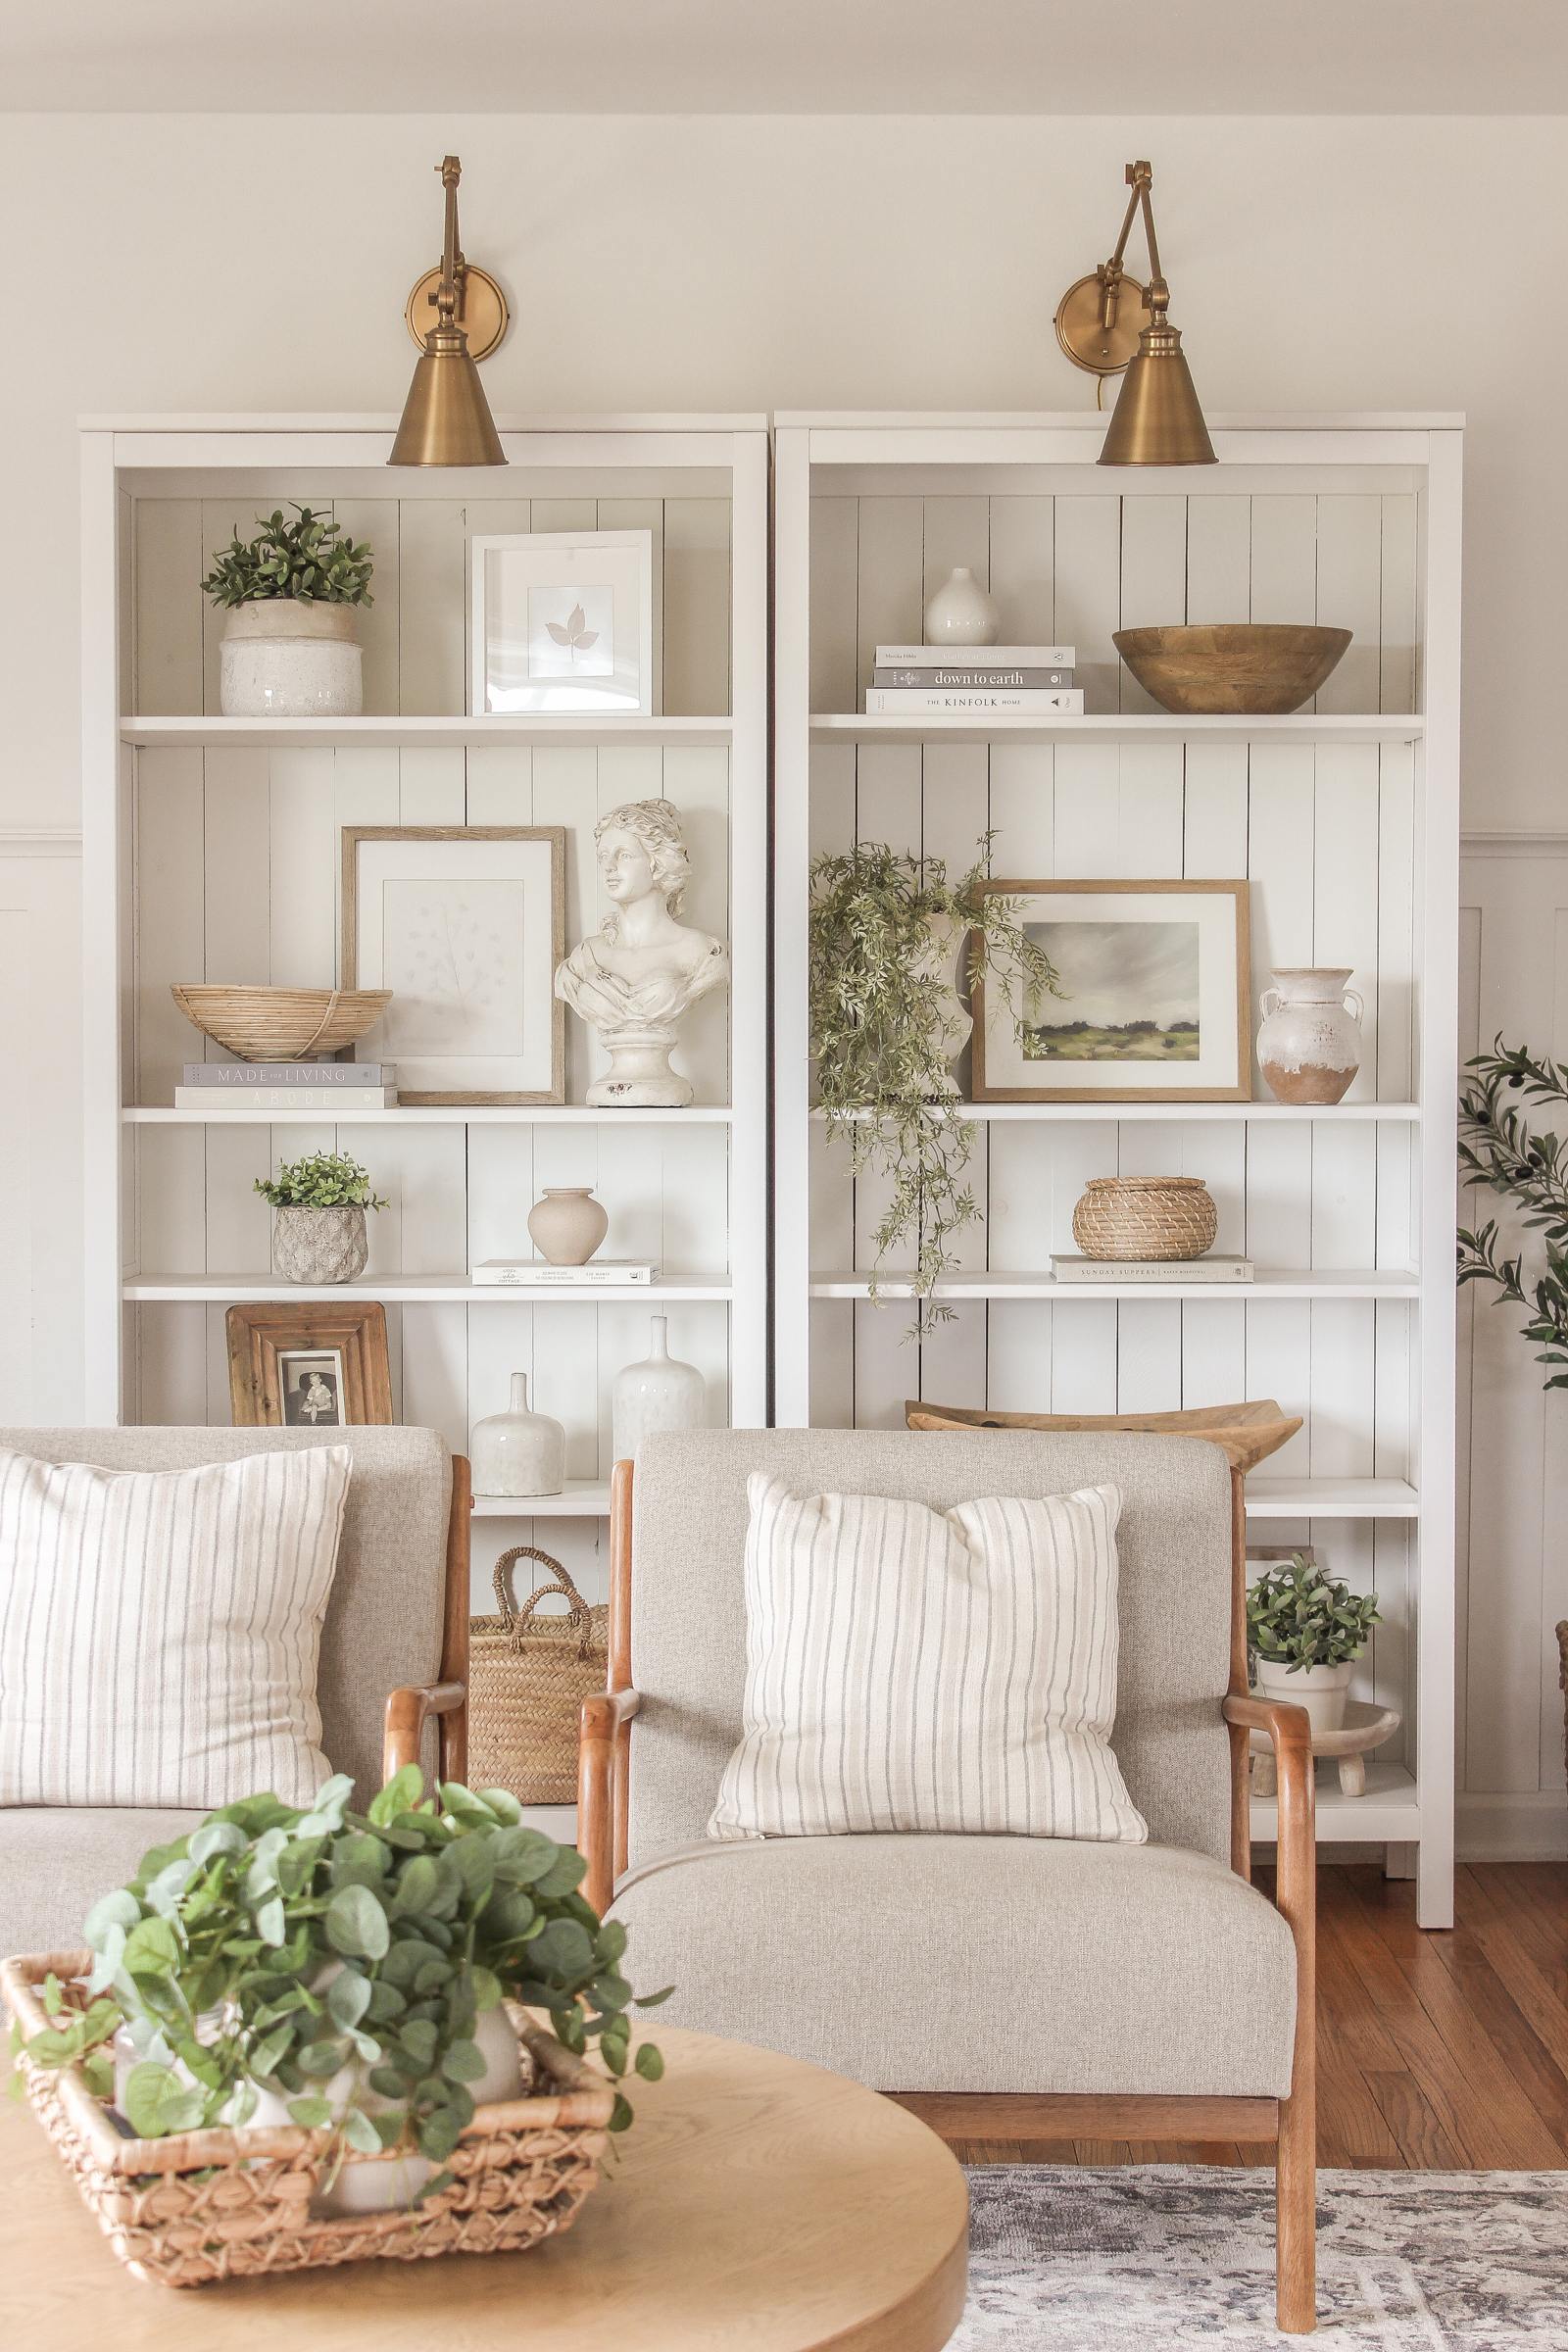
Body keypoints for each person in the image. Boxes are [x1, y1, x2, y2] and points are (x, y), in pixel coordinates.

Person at [555, 798, 728, 1106]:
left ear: (656, 862)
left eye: (623, 855)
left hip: (665, 1084)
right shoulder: (585, 957)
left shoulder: (700, 952)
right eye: (603, 856)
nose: (609, 867)